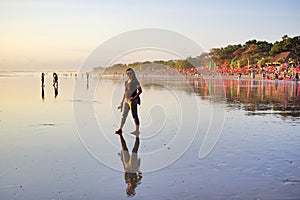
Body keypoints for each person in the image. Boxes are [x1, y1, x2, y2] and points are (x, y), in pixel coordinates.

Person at [115, 68, 142, 135]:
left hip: (132, 101)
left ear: (133, 74)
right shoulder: (126, 82)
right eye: (128, 73)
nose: (129, 75)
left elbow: (140, 91)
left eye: (130, 73)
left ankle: (137, 130)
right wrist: (122, 102)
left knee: (134, 115)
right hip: (126, 100)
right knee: (123, 115)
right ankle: (120, 129)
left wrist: (134, 97)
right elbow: (125, 92)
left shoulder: (135, 81)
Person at [117, 132, 142, 197]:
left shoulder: (126, 181)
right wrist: (138, 168)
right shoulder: (136, 182)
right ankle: (137, 136)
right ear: (132, 190)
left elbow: (125, 170)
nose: (128, 189)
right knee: (134, 150)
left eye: (128, 190)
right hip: (133, 166)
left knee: (124, 148)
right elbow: (140, 176)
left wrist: (122, 160)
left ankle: (120, 135)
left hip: (127, 165)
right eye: (129, 190)